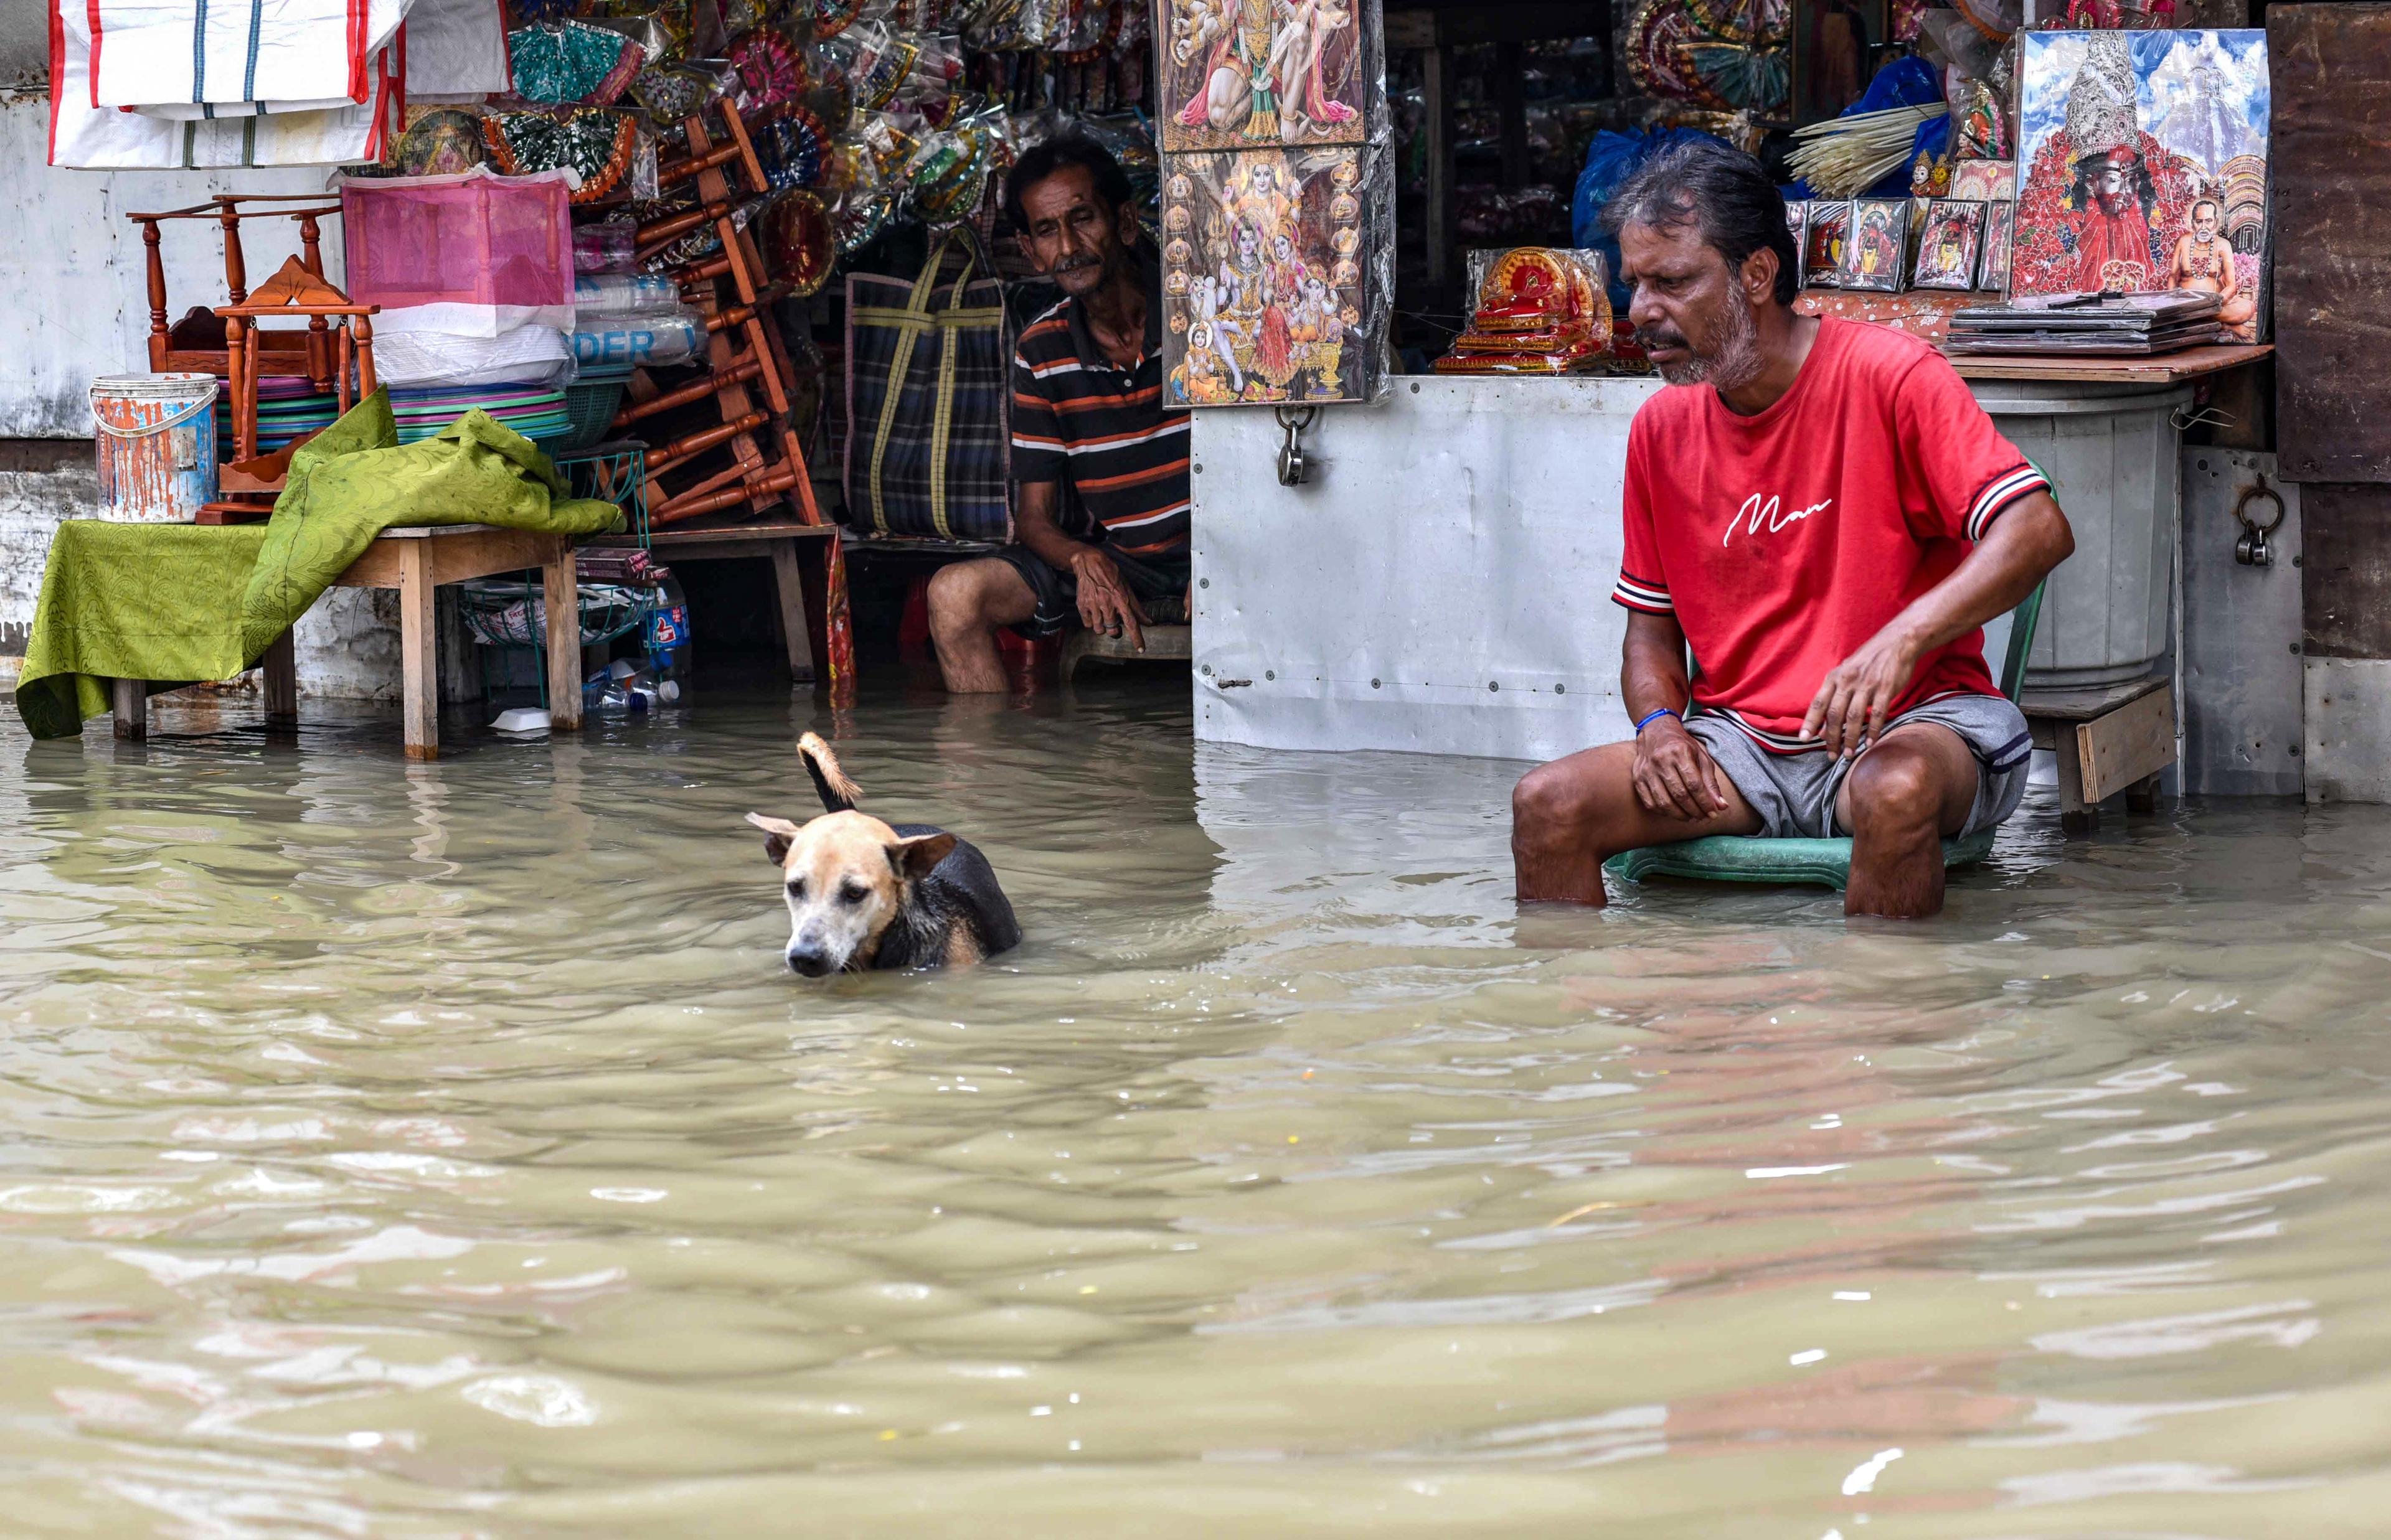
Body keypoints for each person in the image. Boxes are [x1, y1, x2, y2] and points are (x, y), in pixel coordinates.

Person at [1509, 142, 2076, 919]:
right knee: (1548, 803)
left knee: (1895, 789)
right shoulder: (1661, 429)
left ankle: (1887, 1028)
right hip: (1740, 744)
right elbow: (1650, 632)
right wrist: (1659, 725)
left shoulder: (1891, 375)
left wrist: (1898, 642)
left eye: (1672, 281)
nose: (1641, 309)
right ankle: (1617, 1018)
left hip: (1914, 720)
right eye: (1634, 282)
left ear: (1758, 274)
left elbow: (2038, 529)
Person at [926, 135, 1191, 692]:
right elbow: (1035, 518)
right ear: (1030, 251)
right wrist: (1083, 560)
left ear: (1123, 221)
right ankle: (998, 775)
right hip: (1127, 562)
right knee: (953, 595)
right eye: (1048, 231)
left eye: (1082, 218)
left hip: (1230, 549)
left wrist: (1229, 560)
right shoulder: (1041, 350)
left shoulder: (1200, 312)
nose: (1069, 246)